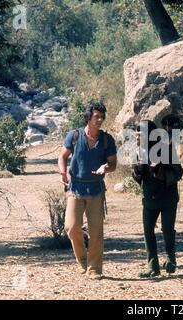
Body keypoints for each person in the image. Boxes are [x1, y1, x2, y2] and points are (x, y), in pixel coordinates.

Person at [58, 101, 117, 280]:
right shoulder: (74, 135)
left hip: (96, 190)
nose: (100, 120)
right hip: (75, 188)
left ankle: (94, 269)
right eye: (96, 116)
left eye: (102, 117)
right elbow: (62, 156)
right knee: (71, 226)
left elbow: (113, 164)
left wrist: (105, 168)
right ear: (89, 117)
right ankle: (83, 260)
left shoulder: (107, 140)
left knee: (96, 230)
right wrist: (63, 173)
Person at [132, 118, 183, 278]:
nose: (136, 135)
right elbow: (136, 175)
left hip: (168, 197)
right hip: (149, 198)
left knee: (167, 229)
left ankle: (170, 259)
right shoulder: (138, 151)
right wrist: (138, 169)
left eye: (139, 132)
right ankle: (152, 266)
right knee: (148, 232)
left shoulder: (166, 148)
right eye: (136, 132)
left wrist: (162, 173)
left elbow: (178, 172)